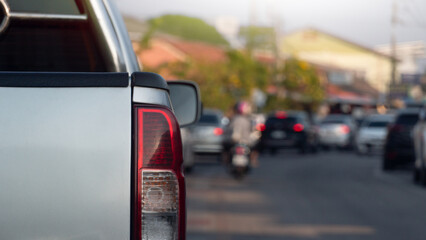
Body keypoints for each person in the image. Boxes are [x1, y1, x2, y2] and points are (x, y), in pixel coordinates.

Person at [225, 101, 259, 167]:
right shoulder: (249, 119)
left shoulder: (234, 118)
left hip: (236, 141)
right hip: (245, 141)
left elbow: (229, 129)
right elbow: (253, 130)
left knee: (225, 147)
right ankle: (253, 159)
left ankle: (226, 159)